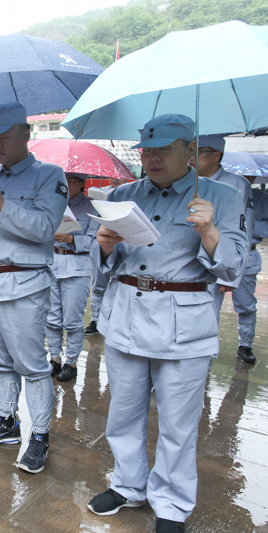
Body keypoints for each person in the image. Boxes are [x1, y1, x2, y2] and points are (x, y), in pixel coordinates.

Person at [86, 115, 247, 533]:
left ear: (190, 151)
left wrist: (210, 230)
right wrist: (102, 247)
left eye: (165, 149)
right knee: (122, 413)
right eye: (147, 149)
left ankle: (172, 504)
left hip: (183, 325)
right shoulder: (123, 195)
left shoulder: (222, 197)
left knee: (178, 422)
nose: (153, 157)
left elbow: (234, 268)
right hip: (126, 315)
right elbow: (102, 269)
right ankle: (128, 485)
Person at [0, 103, 68, 474]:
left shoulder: (49, 175)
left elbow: (44, 229)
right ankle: (7, 421)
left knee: (32, 364)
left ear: (26, 134)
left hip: (22, 284)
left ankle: (40, 435)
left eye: (5, 137)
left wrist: (4, 206)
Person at [192, 135, 253, 324]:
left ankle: (242, 345)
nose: (191, 157)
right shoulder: (187, 181)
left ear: (215, 155)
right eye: (190, 151)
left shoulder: (236, 184)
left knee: (208, 314)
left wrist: (229, 276)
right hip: (189, 259)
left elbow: (245, 229)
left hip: (218, 259)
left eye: (198, 152)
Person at [46, 174, 99, 382]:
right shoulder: (53, 203)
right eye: (64, 181)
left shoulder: (92, 207)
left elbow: (96, 241)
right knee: (52, 317)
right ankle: (54, 358)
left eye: (72, 181)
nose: (67, 185)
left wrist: (71, 239)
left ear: (82, 183)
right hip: (52, 263)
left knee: (73, 319)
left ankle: (72, 362)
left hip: (77, 267)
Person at [86, 175, 131, 335]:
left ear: (127, 179)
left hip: (122, 240)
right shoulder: (101, 192)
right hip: (101, 239)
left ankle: (111, 319)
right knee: (98, 285)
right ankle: (96, 320)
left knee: (118, 283)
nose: (116, 180)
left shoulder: (129, 195)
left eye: (120, 178)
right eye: (112, 177)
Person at [231, 175, 266, 364]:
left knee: (245, 303)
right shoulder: (223, 191)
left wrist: (249, 225)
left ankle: (246, 344)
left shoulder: (262, 199)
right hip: (222, 253)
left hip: (248, 254)